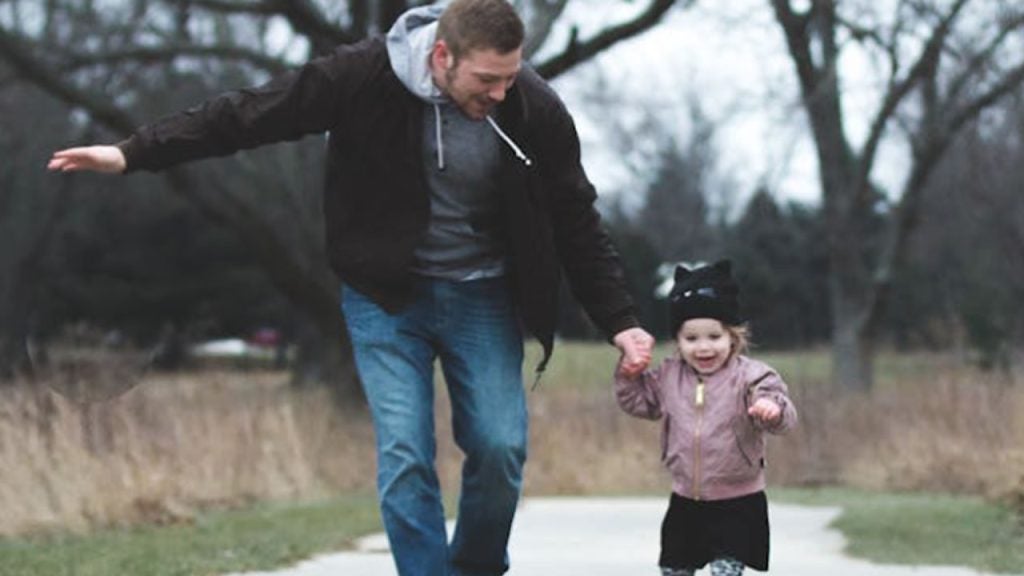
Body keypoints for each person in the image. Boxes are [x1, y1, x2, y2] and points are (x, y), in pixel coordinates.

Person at [48, 1, 654, 575]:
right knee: (405, 455)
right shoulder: (361, 76)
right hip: (386, 296)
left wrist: (620, 320)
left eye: (510, 78)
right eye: (487, 80)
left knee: (500, 449)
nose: (500, 94)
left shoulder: (532, 107)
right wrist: (132, 152)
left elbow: (575, 217)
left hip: (482, 295)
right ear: (442, 56)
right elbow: (250, 113)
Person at [614, 260, 797, 576]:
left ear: (733, 336)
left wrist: (771, 409)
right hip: (686, 499)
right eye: (692, 338)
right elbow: (638, 402)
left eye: (714, 336)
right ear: (678, 341)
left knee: (726, 571)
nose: (704, 347)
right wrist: (628, 376)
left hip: (738, 501)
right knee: (674, 569)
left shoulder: (751, 377)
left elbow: (781, 409)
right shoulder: (669, 376)